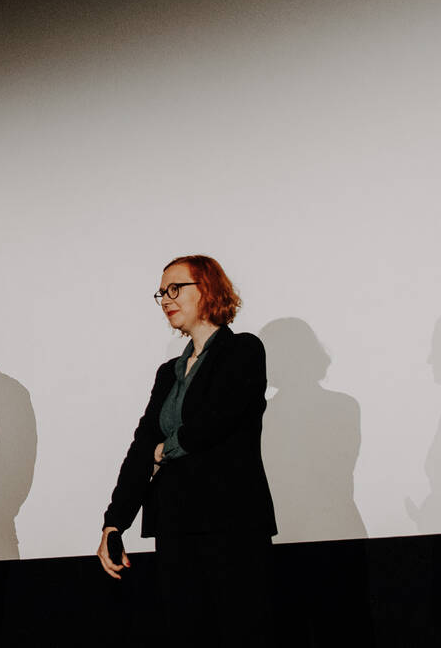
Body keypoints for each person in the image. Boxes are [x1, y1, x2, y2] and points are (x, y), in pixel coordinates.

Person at [97, 255, 275, 647]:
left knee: (242, 631)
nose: (165, 299)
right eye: (162, 292)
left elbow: (215, 420)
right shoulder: (168, 372)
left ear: (207, 289)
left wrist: (163, 451)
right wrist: (114, 523)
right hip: (176, 523)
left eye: (175, 289)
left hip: (231, 523)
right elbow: (141, 446)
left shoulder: (243, 350)